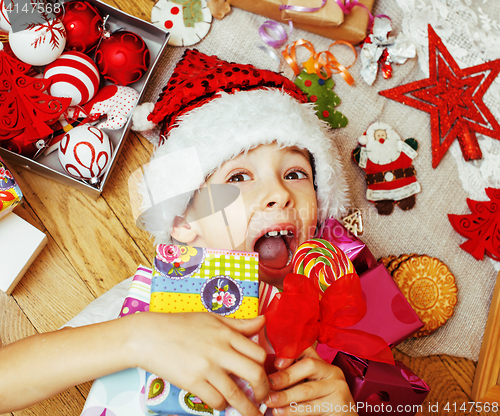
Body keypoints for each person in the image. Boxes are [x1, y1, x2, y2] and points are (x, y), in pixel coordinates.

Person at [0, 50, 358, 416]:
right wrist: (138, 337)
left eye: (296, 174)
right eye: (237, 177)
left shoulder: (335, 336)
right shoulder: (152, 298)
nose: (280, 194)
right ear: (184, 223)